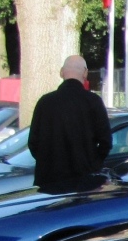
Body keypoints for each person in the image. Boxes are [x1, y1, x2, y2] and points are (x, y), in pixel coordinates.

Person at [28, 54, 111, 190]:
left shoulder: (45, 102)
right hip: (84, 181)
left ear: (61, 72)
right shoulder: (93, 102)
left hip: (48, 182)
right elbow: (105, 142)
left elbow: (33, 142)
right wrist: (92, 164)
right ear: (85, 73)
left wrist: (47, 162)